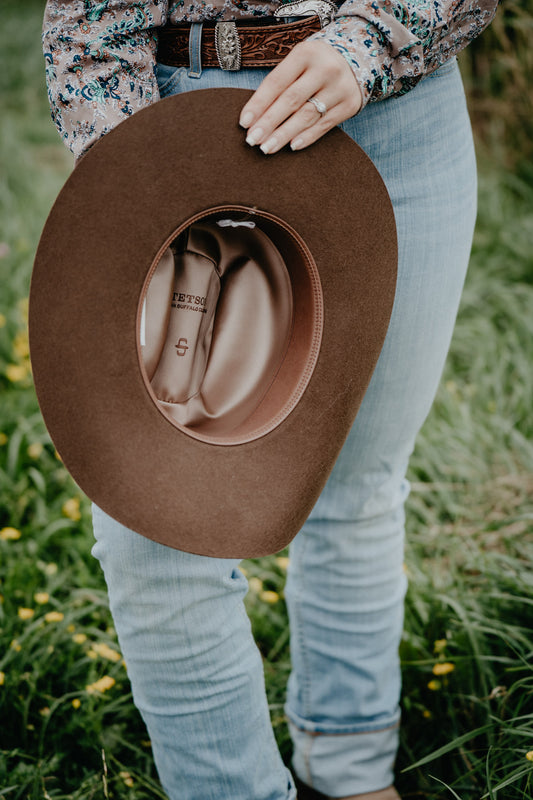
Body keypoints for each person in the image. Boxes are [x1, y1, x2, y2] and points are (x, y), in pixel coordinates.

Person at [42, 2, 500, 799]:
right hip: (177, 108)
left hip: (399, 117)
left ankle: (351, 766)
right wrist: (139, 173)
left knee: (357, 483)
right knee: (156, 526)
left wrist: (369, 44)